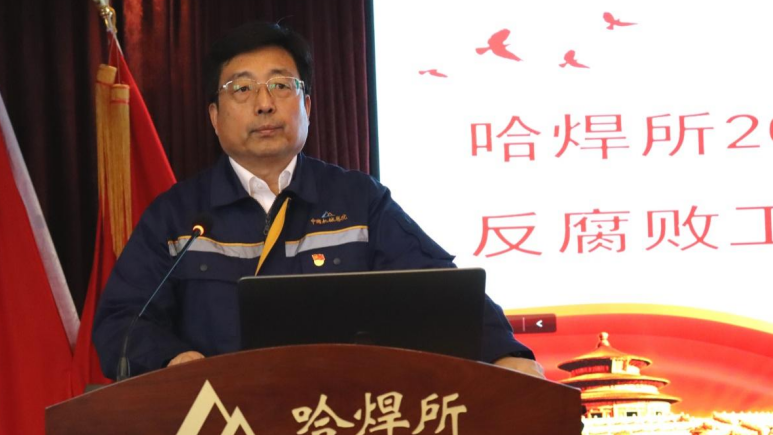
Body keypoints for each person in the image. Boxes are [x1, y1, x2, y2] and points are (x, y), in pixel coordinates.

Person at [93, 22, 543, 379]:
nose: (264, 104)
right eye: (242, 89)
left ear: (307, 105)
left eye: (281, 85)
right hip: (225, 431)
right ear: (214, 116)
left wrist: (504, 354)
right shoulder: (177, 217)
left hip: (343, 424)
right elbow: (120, 323)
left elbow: (442, 292)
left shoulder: (359, 202)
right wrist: (174, 360)